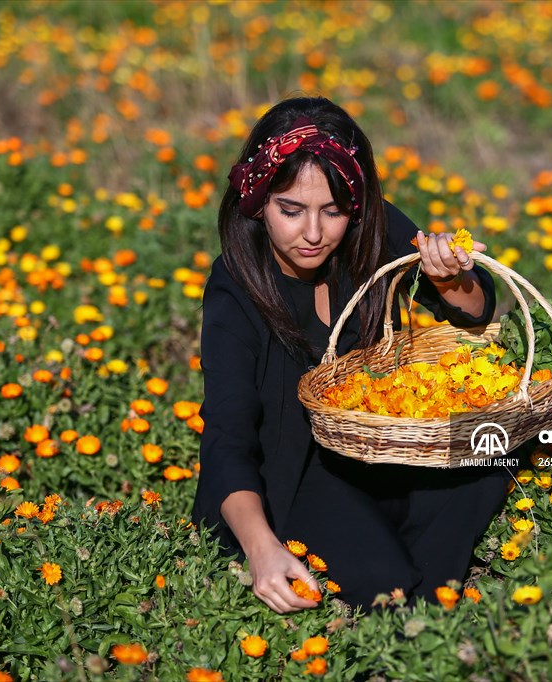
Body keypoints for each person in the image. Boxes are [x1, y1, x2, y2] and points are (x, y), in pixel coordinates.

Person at [191, 96, 510, 613]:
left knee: (486, 460)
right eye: (290, 210)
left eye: (332, 211)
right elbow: (227, 436)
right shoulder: (235, 285)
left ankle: (422, 604)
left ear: (354, 205)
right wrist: (262, 549)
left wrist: (450, 278)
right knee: (386, 582)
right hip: (286, 481)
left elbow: (476, 312)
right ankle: (406, 593)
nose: (313, 234)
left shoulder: (373, 231)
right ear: (257, 200)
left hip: (371, 453)